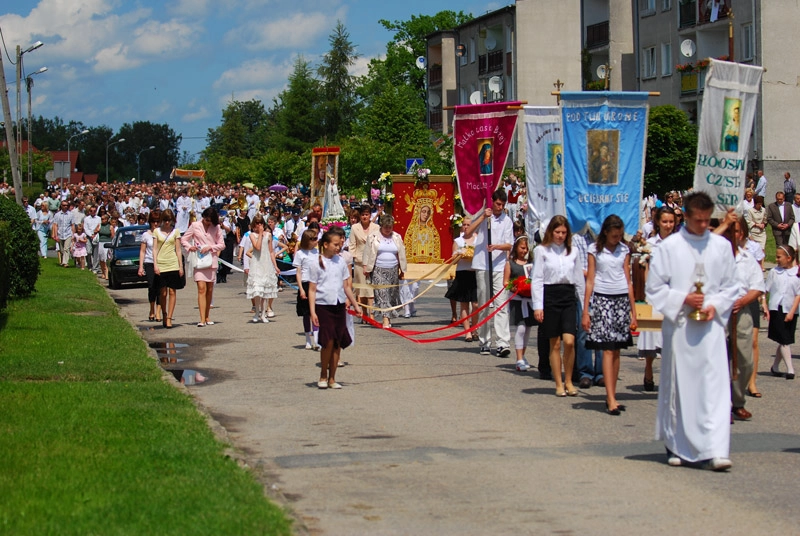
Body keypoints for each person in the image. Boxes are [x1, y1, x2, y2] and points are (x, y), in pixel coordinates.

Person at [645, 191, 739, 471]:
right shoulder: (669, 247)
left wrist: (715, 304)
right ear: (685, 216)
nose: (702, 226)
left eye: (707, 220)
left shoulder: (720, 246)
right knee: (682, 387)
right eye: (697, 220)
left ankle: (717, 448)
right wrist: (683, 298)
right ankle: (679, 446)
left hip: (710, 328)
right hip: (682, 326)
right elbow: (654, 288)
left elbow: (732, 286)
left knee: (714, 388)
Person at [582, 215, 637, 415]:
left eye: (619, 235)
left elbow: (628, 279)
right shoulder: (594, 250)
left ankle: (612, 394)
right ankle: (610, 397)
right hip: (602, 298)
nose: (617, 239)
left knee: (617, 349)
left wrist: (634, 312)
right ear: (605, 232)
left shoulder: (624, 250)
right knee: (607, 348)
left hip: (621, 298)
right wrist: (586, 310)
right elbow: (590, 280)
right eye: (614, 235)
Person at [715, 213, 765, 421]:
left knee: (744, 360)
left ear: (742, 234)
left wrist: (743, 301)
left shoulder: (748, 259)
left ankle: (737, 401)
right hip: (718, 312)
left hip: (741, 310)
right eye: (728, 232)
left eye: (735, 232)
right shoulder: (715, 257)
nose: (731, 236)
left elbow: (758, 287)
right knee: (717, 360)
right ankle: (720, 404)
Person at [532, 215, 585, 397]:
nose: (560, 236)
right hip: (550, 296)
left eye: (563, 232)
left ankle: (569, 379)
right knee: (554, 344)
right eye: (557, 232)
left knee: (569, 341)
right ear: (551, 232)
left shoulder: (573, 252)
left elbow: (579, 279)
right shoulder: (542, 251)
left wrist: (586, 306)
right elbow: (537, 279)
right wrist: (538, 306)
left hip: (568, 296)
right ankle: (558, 383)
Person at [309, 230, 362, 389]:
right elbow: (312, 289)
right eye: (335, 244)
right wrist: (312, 311)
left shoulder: (340, 262)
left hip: (339, 305)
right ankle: (323, 375)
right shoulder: (316, 263)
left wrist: (355, 304)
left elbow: (346, 286)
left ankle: (332, 378)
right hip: (323, 305)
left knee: (338, 341)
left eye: (340, 244)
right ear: (325, 245)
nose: (339, 247)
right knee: (328, 341)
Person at [464, 189, 513, 357]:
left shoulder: (507, 221)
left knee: (501, 304)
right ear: (492, 202)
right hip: (483, 264)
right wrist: (483, 217)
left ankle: (502, 342)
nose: (500, 207)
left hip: (499, 266)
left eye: (502, 205)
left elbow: (509, 244)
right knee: (484, 303)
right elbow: (468, 233)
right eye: (498, 204)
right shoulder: (485, 217)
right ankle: (484, 340)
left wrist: (497, 247)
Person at [637, 206, 676, 391]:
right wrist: (647, 293)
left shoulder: (680, 243)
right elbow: (646, 268)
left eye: (671, 221)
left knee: (673, 337)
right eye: (664, 221)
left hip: (674, 293)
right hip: (655, 292)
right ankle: (648, 369)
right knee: (652, 333)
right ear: (658, 223)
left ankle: (670, 376)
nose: (668, 225)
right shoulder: (651, 244)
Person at [181, 207, 225, 327]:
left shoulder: (216, 227)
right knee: (201, 288)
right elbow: (184, 239)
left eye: (210, 221)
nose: (208, 222)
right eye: (206, 220)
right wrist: (190, 247)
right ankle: (201, 319)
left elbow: (222, 245)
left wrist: (211, 247)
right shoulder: (195, 225)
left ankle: (207, 316)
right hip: (199, 260)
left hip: (211, 260)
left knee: (209, 289)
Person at [362, 215, 407, 329]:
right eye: (386, 227)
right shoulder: (373, 237)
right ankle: (385, 320)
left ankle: (388, 317)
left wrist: (402, 270)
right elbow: (367, 253)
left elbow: (401, 254)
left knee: (391, 294)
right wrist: (365, 267)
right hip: (378, 269)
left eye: (390, 227)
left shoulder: (397, 237)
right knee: (382, 294)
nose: (388, 229)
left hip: (393, 269)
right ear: (381, 226)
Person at [765, 245, 800, 381]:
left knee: (784, 339)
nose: (776, 259)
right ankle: (790, 369)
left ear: (789, 258)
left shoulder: (797, 273)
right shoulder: (774, 272)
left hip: (791, 309)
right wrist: (763, 305)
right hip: (777, 308)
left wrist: (792, 312)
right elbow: (765, 289)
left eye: (779, 257)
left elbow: (798, 295)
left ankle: (775, 366)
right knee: (784, 339)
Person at [504, 235, 535, 371]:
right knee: (521, 328)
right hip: (517, 300)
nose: (524, 251)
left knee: (528, 329)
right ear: (516, 248)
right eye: (522, 248)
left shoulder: (531, 264)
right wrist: (513, 286)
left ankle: (522, 354)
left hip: (529, 300)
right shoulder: (510, 263)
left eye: (526, 248)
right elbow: (505, 282)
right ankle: (519, 358)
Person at [445, 222, 478, 342]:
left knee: (476, 304)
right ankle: (467, 331)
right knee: (464, 303)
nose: (466, 226)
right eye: (464, 224)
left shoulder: (478, 239)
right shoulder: (458, 241)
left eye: (469, 224)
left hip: (475, 272)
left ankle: (474, 328)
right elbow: (453, 258)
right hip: (463, 272)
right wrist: (459, 255)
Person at [245, 213, 280, 323]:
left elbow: (271, 251)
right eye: (257, 223)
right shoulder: (251, 235)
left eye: (261, 223)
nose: (259, 225)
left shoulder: (268, 235)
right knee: (257, 289)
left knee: (265, 290)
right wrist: (260, 233)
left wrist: (275, 266)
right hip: (257, 263)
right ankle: (257, 313)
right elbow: (257, 247)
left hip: (266, 263)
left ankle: (264, 313)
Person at [153, 209, 184, 329]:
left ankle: (170, 317)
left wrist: (180, 266)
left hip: (173, 264)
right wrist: (155, 264)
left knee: (172, 291)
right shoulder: (156, 231)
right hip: (161, 263)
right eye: (165, 220)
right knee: (163, 292)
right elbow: (155, 249)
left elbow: (178, 249)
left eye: (169, 220)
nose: (167, 223)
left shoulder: (175, 232)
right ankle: (164, 313)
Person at [348, 205, 380, 321]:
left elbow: (378, 243)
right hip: (359, 262)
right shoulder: (355, 228)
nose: (364, 217)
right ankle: (364, 312)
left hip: (372, 261)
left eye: (367, 214)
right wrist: (354, 257)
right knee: (361, 289)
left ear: (370, 215)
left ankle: (371, 313)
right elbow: (352, 245)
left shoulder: (376, 227)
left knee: (370, 289)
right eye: (362, 215)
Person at [294, 229, 320, 349]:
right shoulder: (300, 254)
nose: (316, 241)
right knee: (306, 313)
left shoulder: (318, 252)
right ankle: (307, 339)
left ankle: (316, 338)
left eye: (316, 238)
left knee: (316, 312)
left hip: (316, 284)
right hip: (305, 283)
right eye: (314, 239)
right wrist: (301, 289)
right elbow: (298, 272)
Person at [138, 211, 162, 322]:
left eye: (157, 222)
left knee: (161, 288)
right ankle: (151, 308)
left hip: (161, 263)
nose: (156, 224)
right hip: (149, 262)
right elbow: (142, 251)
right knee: (152, 286)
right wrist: (140, 266)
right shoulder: (146, 235)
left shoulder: (162, 234)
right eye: (153, 222)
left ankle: (158, 311)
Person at [51, 201, 74, 267]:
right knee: (61, 250)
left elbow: (72, 225)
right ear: (61, 206)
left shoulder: (71, 214)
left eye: (66, 205)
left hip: (68, 233)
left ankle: (65, 262)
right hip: (60, 233)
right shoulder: (57, 215)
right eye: (64, 205)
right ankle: (62, 261)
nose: (65, 206)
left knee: (66, 248)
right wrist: (55, 235)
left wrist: (73, 234)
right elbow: (55, 225)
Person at [97, 213, 114, 280]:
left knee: (106, 258)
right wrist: (97, 230)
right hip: (100, 242)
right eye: (101, 219)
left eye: (103, 219)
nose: (102, 220)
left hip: (107, 242)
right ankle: (103, 272)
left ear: (107, 219)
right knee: (101, 258)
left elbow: (113, 236)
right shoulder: (99, 225)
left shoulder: (110, 226)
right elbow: (95, 231)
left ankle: (107, 273)